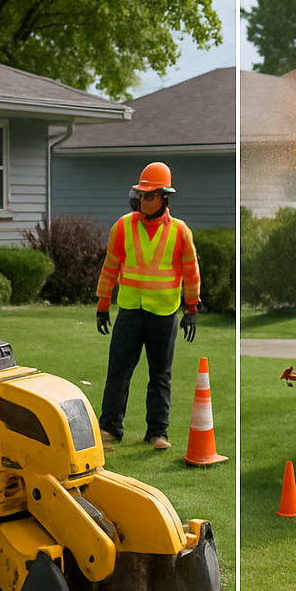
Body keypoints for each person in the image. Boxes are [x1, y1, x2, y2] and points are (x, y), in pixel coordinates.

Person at [95, 161, 200, 451]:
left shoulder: (180, 232)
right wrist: (103, 304)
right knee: (118, 370)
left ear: (164, 197)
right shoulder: (123, 226)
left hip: (164, 313)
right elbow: (110, 267)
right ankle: (109, 428)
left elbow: (191, 271)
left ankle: (157, 433)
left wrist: (191, 309)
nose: (143, 200)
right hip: (129, 310)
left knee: (161, 375)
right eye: (140, 195)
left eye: (149, 195)